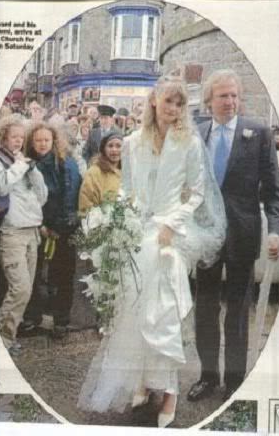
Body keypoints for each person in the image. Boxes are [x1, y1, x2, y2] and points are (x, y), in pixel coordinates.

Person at [78, 75, 226, 427]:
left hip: (171, 235)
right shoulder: (131, 142)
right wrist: (122, 223)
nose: (173, 109)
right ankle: (143, 382)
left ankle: (170, 393)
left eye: (179, 103)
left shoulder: (188, 142)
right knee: (133, 310)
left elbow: (196, 193)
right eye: (168, 101)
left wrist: (171, 225)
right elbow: (129, 190)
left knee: (164, 313)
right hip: (139, 231)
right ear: (155, 101)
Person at [187, 69, 279, 403]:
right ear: (208, 101)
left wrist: (275, 231)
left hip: (243, 235)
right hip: (205, 236)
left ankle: (234, 381)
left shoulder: (257, 133)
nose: (230, 102)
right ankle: (207, 376)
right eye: (222, 96)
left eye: (234, 96)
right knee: (205, 308)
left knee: (239, 310)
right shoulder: (196, 134)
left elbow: (273, 191)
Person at [0, 115, 48, 355]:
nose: (18, 141)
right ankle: (1, 340)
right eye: (14, 136)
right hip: (12, 231)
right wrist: (18, 166)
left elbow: (42, 195)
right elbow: (0, 186)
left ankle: (8, 336)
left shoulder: (26, 161)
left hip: (32, 231)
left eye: (21, 137)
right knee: (20, 288)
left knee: (25, 289)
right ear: (3, 136)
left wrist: (31, 170)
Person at [22, 122, 81, 338]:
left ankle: (61, 320)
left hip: (62, 228)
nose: (42, 144)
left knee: (62, 275)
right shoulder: (28, 162)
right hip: (37, 226)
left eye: (46, 140)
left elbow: (70, 195)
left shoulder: (65, 162)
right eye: (37, 140)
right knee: (33, 274)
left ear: (54, 140)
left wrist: (58, 226)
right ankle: (32, 317)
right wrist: (41, 225)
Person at [78, 131, 122, 214]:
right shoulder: (94, 172)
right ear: (104, 149)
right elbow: (86, 203)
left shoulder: (128, 173)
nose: (114, 149)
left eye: (118, 146)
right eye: (110, 146)